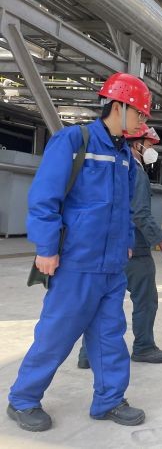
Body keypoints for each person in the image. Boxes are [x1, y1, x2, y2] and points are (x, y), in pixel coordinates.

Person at [7, 72, 151, 432]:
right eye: (139, 113)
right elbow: (45, 198)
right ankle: (22, 400)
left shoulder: (123, 155)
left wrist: (126, 244)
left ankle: (109, 399)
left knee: (110, 336)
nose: (142, 121)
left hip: (111, 266)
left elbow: (122, 208)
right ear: (118, 107)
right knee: (56, 334)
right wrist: (46, 248)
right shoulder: (75, 141)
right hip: (76, 262)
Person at [77, 124, 162, 369]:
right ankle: (144, 347)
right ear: (136, 144)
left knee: (102, 301)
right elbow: (140, 213)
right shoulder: (136, 173)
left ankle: (88, 354)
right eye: (149, 145)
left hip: (106, 246)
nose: (152, 150)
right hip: (135, 249)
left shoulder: (112, 168)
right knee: (146, 300)